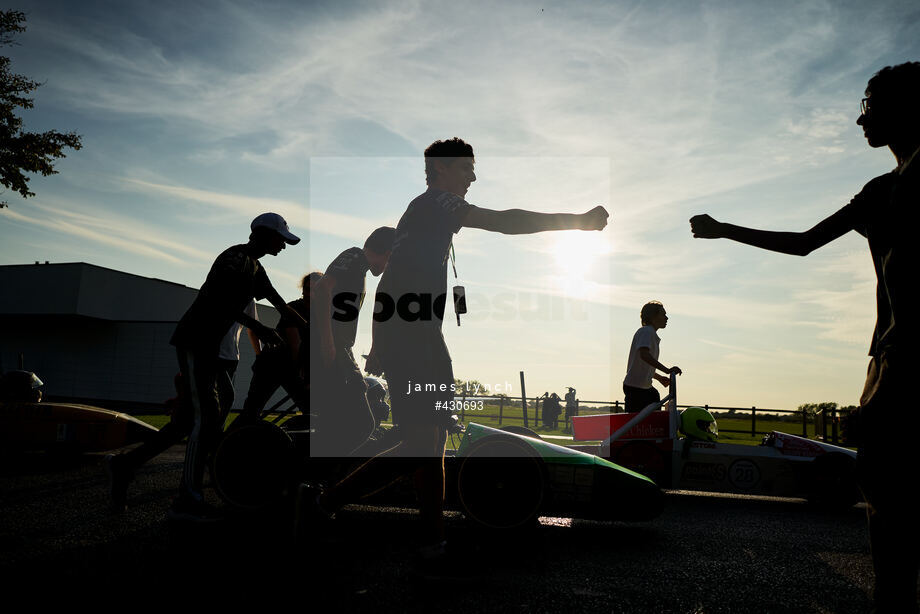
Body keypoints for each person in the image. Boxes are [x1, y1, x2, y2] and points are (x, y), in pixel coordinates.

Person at [311, 137, 609, 567]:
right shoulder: (435, 203)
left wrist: (379, 341)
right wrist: (576, 222)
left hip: (415, 335)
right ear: (445, 169)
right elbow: (504, 221)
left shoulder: (420, 213)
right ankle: (381, 525)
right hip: (415, 337)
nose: (474, 175)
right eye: (468, 167)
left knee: (426, 442)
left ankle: (407, 533)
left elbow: (387, 279)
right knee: (423, 443)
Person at [689, 61, 920, 612]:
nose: (859, 117)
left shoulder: (895, 189)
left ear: (904, 107)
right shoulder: (879, 190)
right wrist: (726, 230)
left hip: (901, 362)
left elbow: (803, 244)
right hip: (887, 361)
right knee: (889, 509)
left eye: (869, 104)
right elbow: (803, 242)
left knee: (890, 513)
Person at [166, 212, 309, 521]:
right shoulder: (233, 259)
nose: (284, 247)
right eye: (281, 240)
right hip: (195, 341)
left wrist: (313, 329)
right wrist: (261, 328)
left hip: (213, 348)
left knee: (221, 407)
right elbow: (217, 301)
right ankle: (186, 500)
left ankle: (211, 466)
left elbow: (278, 302)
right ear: (264, 234)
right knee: (204, 419)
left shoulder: (256, 267)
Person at [310, 227, 396, 456]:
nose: (388, 267)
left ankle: (318, 475)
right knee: (363, 423)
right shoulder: (355, 256)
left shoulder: (361, 270)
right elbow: (321, 288)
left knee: (339, 421)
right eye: (391, 260)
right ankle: (325, 477)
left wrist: (374, 349)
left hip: (342, 349)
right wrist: (327, 342)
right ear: (388, 253)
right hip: (335, 349)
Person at [235, 272, 320, 426]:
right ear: (302, 290)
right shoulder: (294, 307)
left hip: (290, 366)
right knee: (252, 411)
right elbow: (296, 344)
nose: (310, 293)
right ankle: (225, 443)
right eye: (308, 289)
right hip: (274, 363)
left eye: (315, 290)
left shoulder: (320, 314)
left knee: (312, 409)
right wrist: (305, 376)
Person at [622, 301, 681, 413]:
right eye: (663, 315)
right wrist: (667, 370)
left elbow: (643, 365)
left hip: (644, 388)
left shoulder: (650, 333)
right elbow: (644, 355)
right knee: (635, 423)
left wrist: (659, 377)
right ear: (653, 317)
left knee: (654, 398)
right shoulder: (646, 332)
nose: (666, 318)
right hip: (635, 388)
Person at [216, 299, 260, 428]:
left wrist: (259, 354)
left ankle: (215, 436)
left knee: (224, 401)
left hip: (232, 357)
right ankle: (210, 436)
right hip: (212, 354)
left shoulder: (250, 299)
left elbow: (253, 327)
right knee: (227, 397)